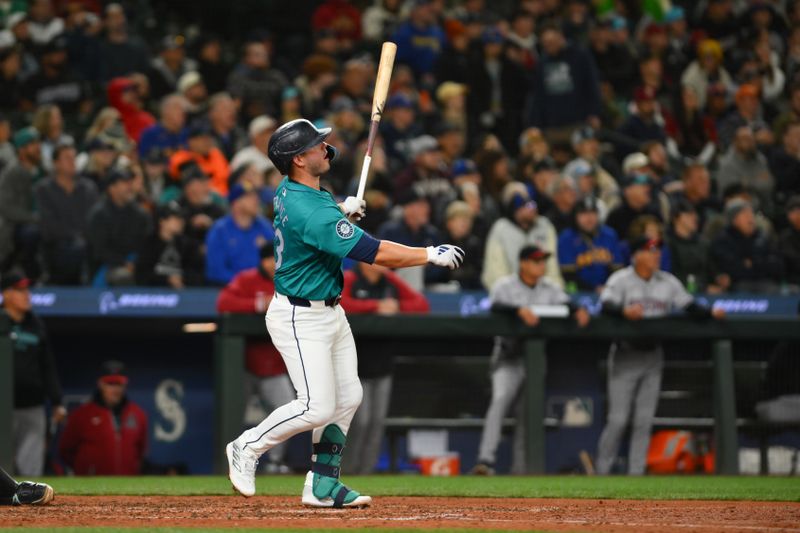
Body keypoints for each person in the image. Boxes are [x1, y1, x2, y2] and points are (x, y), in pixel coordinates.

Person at [225, 118, 464, 507]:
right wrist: (428, 254)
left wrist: (340, 211)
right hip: (300, 317)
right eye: (316, 145)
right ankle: (247, 445)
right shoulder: (309, 209)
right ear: (298, 159)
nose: (325, 147)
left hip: (329, 312)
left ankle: (321, 485)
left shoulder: (297, 190)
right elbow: (377, 254)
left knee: (349, 396)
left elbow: (320, 222)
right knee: (315, 405)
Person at [595, 237, 724, 475]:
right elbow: (604, 305)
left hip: (653, 356)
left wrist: (711, 312)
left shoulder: (668, 281)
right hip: (625, 354)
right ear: (635, 255)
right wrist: (624, 311)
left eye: (658, 251)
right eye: (650, 250)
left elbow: (690, 306)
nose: (656, 255)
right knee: (618, 420)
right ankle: (601, 472)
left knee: (644, 421)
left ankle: (636, 474)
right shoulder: (621, 279)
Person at [472, 245, 590, 475]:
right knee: (499, 402)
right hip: (508, 356)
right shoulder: (505, 285)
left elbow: (568, 303)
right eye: (536, 261)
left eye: (543, 261)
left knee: (529, 414)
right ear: (523, 263)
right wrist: (518, 310)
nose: (541, 265)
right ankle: (485, 460)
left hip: (535, 360)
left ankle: (523, 468)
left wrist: (579, 310)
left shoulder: (549, 287)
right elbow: (494, 305)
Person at [340, 261, 429, 474]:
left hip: (382, 362)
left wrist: (398, 307)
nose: (383, 264)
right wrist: (375, 306)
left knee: (376, 422)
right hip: (353, 363)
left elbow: (422, 305)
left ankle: (366, 473)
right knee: (359, 421)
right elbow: (338, 303)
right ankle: (346, 470)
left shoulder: (390, 280)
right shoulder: (350, 278)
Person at [216, 242, 294, 473]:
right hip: (244, 364)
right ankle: (231, 462)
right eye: (270, 258)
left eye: (277, 258)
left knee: (288, 410)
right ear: (262, 260)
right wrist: (259, 303)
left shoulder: (290, 279)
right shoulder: (247, 279)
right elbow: (223, 303)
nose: (274, 263)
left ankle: (276, 462)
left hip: (275, 365)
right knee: (232, 414)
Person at [2, 271, 65, 476]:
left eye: (27, 290)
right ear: (6, 294)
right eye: (20, 290)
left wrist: (56, 400)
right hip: (3, 407)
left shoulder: (35, 324)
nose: (27, 295)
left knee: (31, 468)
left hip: (32, 405)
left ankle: (31, 508)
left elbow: (47, 365)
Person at [59, 360, 148, 475]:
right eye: (110, 384)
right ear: (101, 384)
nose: (115, 389)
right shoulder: (81, 414)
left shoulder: (138, 413)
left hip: (128, 486)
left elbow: (141, 452)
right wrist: (86, 470)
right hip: (91, 486)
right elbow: (66, 451)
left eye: (119, 384)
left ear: (125, 385)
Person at [481, 182, 562, 290]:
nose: (532, 209)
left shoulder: (545, 226)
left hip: (542, 292)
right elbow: (495, 270)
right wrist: (508, 294)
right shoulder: (501, 228)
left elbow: (552, 266)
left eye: (533, 205)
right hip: (509, 294)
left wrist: (554, 290)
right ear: (515, 210)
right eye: (526, 206)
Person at [86, 167, 152, 286]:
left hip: (135, 262)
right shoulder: (99, 214)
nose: (129, 187)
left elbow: (146, 243)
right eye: (124, 183)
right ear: (111, 188)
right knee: (122, 276)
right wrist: (124, 262)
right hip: (107, 265)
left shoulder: (140, 214)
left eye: (130, 182)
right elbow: (99, 250)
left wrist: (136, 262)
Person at [205, 181, 274, 285]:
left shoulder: (265, 226)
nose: (256, 200)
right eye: (249, 197)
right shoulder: (220, 230)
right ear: (235, 203)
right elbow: (216, 270)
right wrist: (244, 283)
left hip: (264, 287)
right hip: (229, 289)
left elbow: (277, 260)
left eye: (255, 196)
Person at [710, 199, 783, 293]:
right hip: (738, 286)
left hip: (766, 282)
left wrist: (753, 264)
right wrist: (757, 265)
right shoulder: (723, 240)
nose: (751, 218)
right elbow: (729, 268)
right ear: (734, 219)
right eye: (745, 215)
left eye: (751, 214)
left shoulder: (763, 237)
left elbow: (778, 264)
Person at [0, 127, 42, 277]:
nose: (38, 148)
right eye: (33, 144)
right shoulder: (12, 172)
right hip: (13, 228)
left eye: (38, 143)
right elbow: (6, 208)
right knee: (31, 233)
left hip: (39, 223)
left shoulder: (41, 170)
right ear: (21, 150)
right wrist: (34, 218)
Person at [558, 197, 623, 292]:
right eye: (583, 213)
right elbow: (568, 275)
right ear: (575, 216)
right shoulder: (567, 238)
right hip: (577, 291)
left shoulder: (609, 235)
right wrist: (593, 289)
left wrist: (608, 287)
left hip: (608, 290)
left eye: (593, 213)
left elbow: (617, 270)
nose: (589, 218)